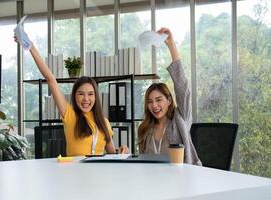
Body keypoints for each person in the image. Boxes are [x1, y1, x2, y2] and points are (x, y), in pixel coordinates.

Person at [14, 31, 129, 156]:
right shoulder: (70, 114)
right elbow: (51, 79)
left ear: (96, 97)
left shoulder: (104, 121)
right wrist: (30, 46)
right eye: (81, 94)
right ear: (75, 96)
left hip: (98, 173)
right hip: (74, 173)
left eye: (90, 94)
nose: (86, 99)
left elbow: (112, 153)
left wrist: (121, 150)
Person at [137, 27, 201, 165]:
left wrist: (171, 45)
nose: (154, 105)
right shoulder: (145, 129)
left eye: (159, 100)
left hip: (181, 179)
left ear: (169, 101)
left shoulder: (180, 120)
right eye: (150, 101)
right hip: (153, 181)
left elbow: (183, 89)